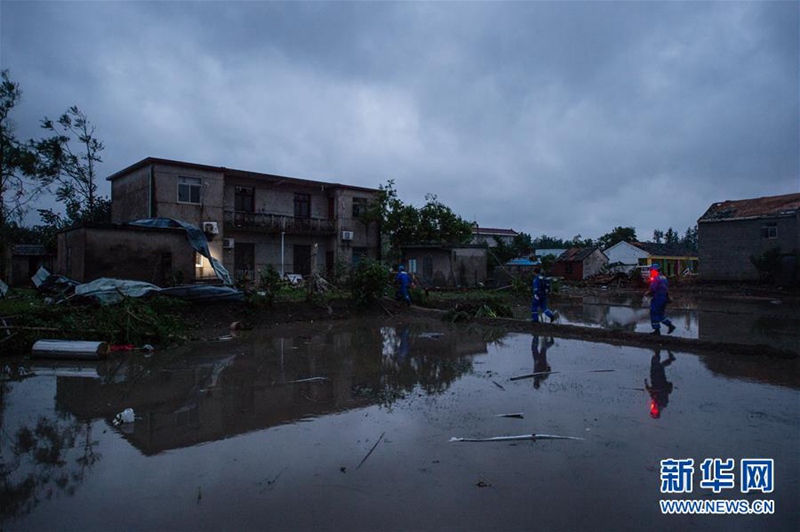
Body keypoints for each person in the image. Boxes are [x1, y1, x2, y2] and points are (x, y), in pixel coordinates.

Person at [645, 348, 676, 418]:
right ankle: (658, 353)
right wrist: (653, 391)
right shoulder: (663, 403)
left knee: (657, 366)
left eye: (652, 412)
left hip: (654, 380)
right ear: (658, 412)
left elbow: (652, 394)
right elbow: (663, 392)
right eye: (654, 412)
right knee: (658, 366)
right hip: (659, 381)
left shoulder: (655, 405)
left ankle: (659, 353)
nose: (653, 410)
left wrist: (647, 387)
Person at [645, 263, 675, 335]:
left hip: (658, 297)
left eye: (651, 270)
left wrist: (648, 292)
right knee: (660, 314)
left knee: (654, 312)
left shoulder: (655, 278)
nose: (651, 272)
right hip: (664, 297)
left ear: (655, 270)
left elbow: (653, 288)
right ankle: (670, 325)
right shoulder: (664, 277)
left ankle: (657, 330)